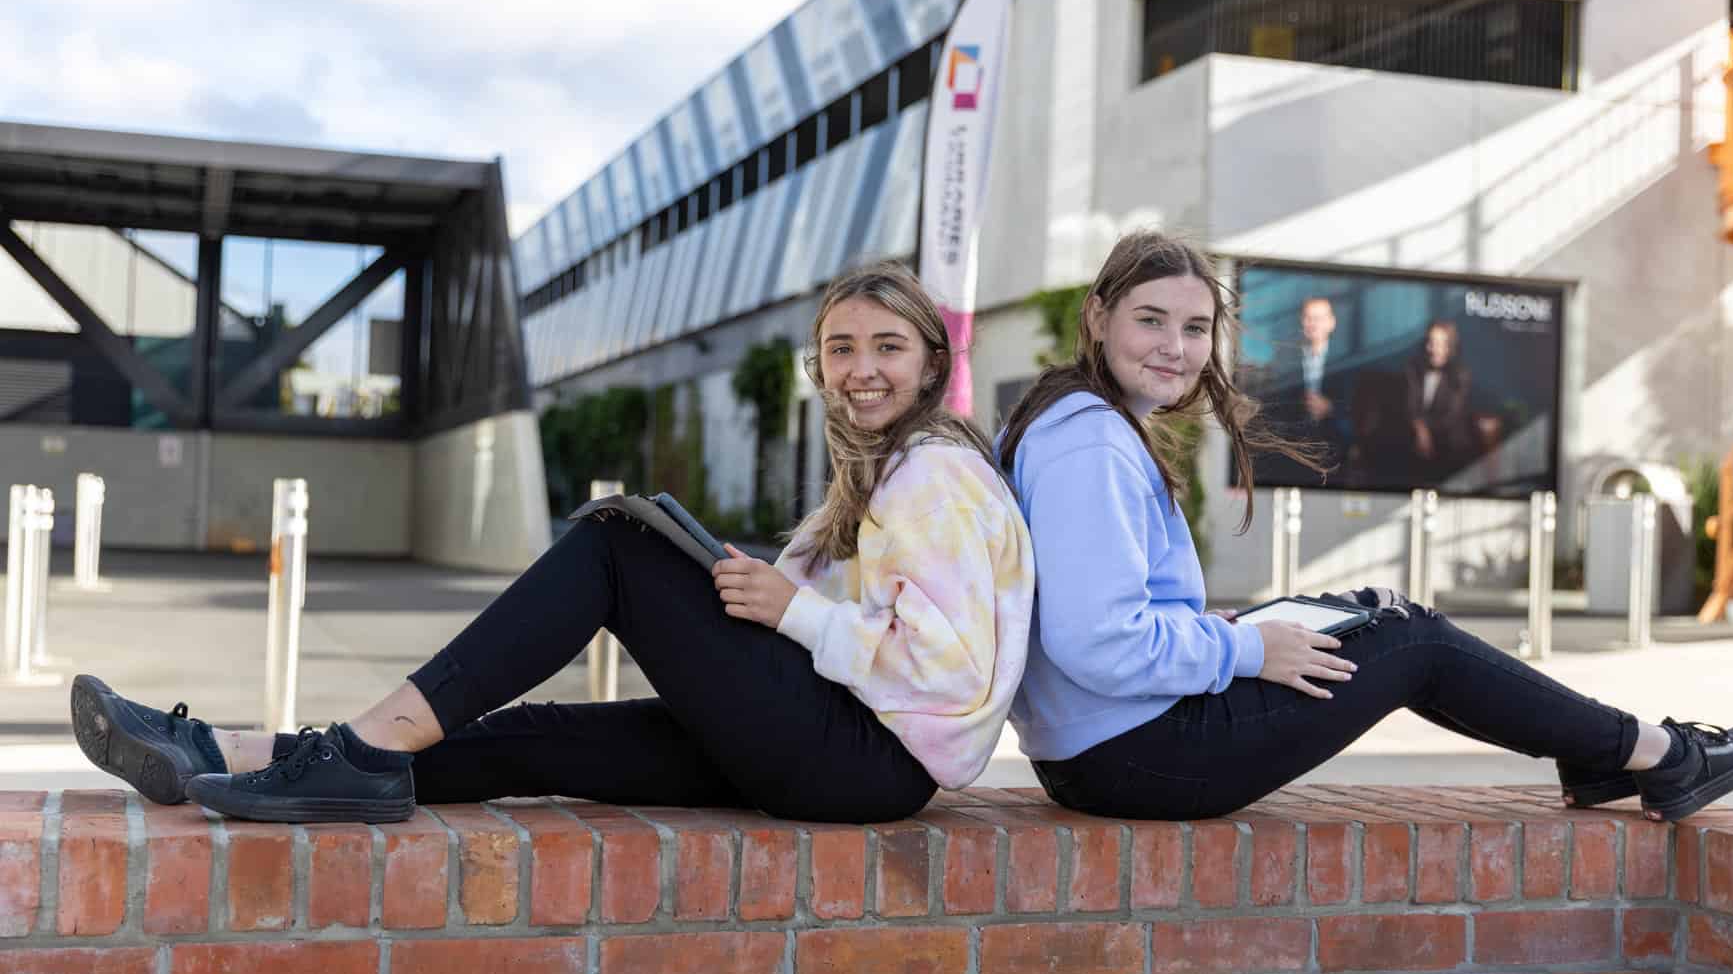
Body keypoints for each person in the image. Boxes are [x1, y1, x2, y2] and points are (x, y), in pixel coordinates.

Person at [71, 263, 1035, 824]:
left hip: (866, 760)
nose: (859, 371)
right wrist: (760, 591)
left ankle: (362, 751)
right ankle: (231, 751)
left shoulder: (933, 474)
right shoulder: (879, 475)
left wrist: (798, 610)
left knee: (615, 543)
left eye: (886, 348)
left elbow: (949, 675)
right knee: (536, 740)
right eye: (840, 349)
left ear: (933, 363)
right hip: (838, 745)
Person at [996, 229, 1733, 824]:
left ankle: (1597, 756)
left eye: (1195, 329)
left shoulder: (1080, 422)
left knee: (1370, 611)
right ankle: (1659, 753)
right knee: (1414, 641)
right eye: (1151, 320)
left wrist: (1222, 633)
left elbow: (1111, 618)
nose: (1176, 347)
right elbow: (1098, 642)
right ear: (1098, 317)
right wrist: (1246, 648)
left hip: (1106, 746)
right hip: (1138, 757)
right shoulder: (1090, 440)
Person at [1252, 296, 1352, 484]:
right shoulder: (1284, 358)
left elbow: (1356, 406)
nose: (1313, 323)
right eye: (1308, 318)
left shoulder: (1347, 358)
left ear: (1331, 323)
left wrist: (1330, 408)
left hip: (1335, 456)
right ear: (1302, 322)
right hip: (1294, 453)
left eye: (1319, 318)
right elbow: (1274, 405)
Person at [1403, 319, 1474, 479]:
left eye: (1441, 344)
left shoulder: (1461, 374)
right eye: (1431, 342)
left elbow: (1450, 417)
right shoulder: (1413, 368)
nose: (1434, 349)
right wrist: (1421, 432)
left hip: (1450, 444)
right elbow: (1411, 407)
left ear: (1451, 347)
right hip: (1417, 437)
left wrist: (1425, 434)